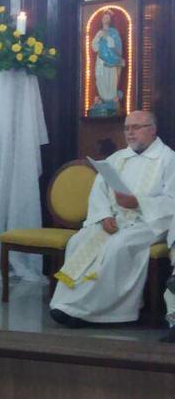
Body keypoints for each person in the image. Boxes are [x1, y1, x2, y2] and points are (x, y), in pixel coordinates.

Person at [49, 111, 175, 328]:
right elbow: (99, 190)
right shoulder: (117, 158)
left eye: (136, 127)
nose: (130, 133)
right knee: (79, 241)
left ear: (152, 129)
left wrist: (137, 203)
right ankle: (67, 305)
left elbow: (172, 200)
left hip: (150, 224)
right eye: (127, 128)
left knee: (117, 247)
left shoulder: (168, 159)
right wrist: (104, 215)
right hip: (116, 220)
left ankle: (105, 313)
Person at [90, 10, 125, 117]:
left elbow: (117, 46)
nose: (105, 20)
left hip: (111, 61)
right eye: (104, 18)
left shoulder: (113, 32)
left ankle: (112, 102)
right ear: (101, 20)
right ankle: (103, 101)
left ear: (110, 20)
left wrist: (108, 38)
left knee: (111, 79)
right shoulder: (99, 32)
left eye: (107, 18)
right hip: (101, 60)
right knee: (100, 79)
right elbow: (94, 47)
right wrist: (99, 37)